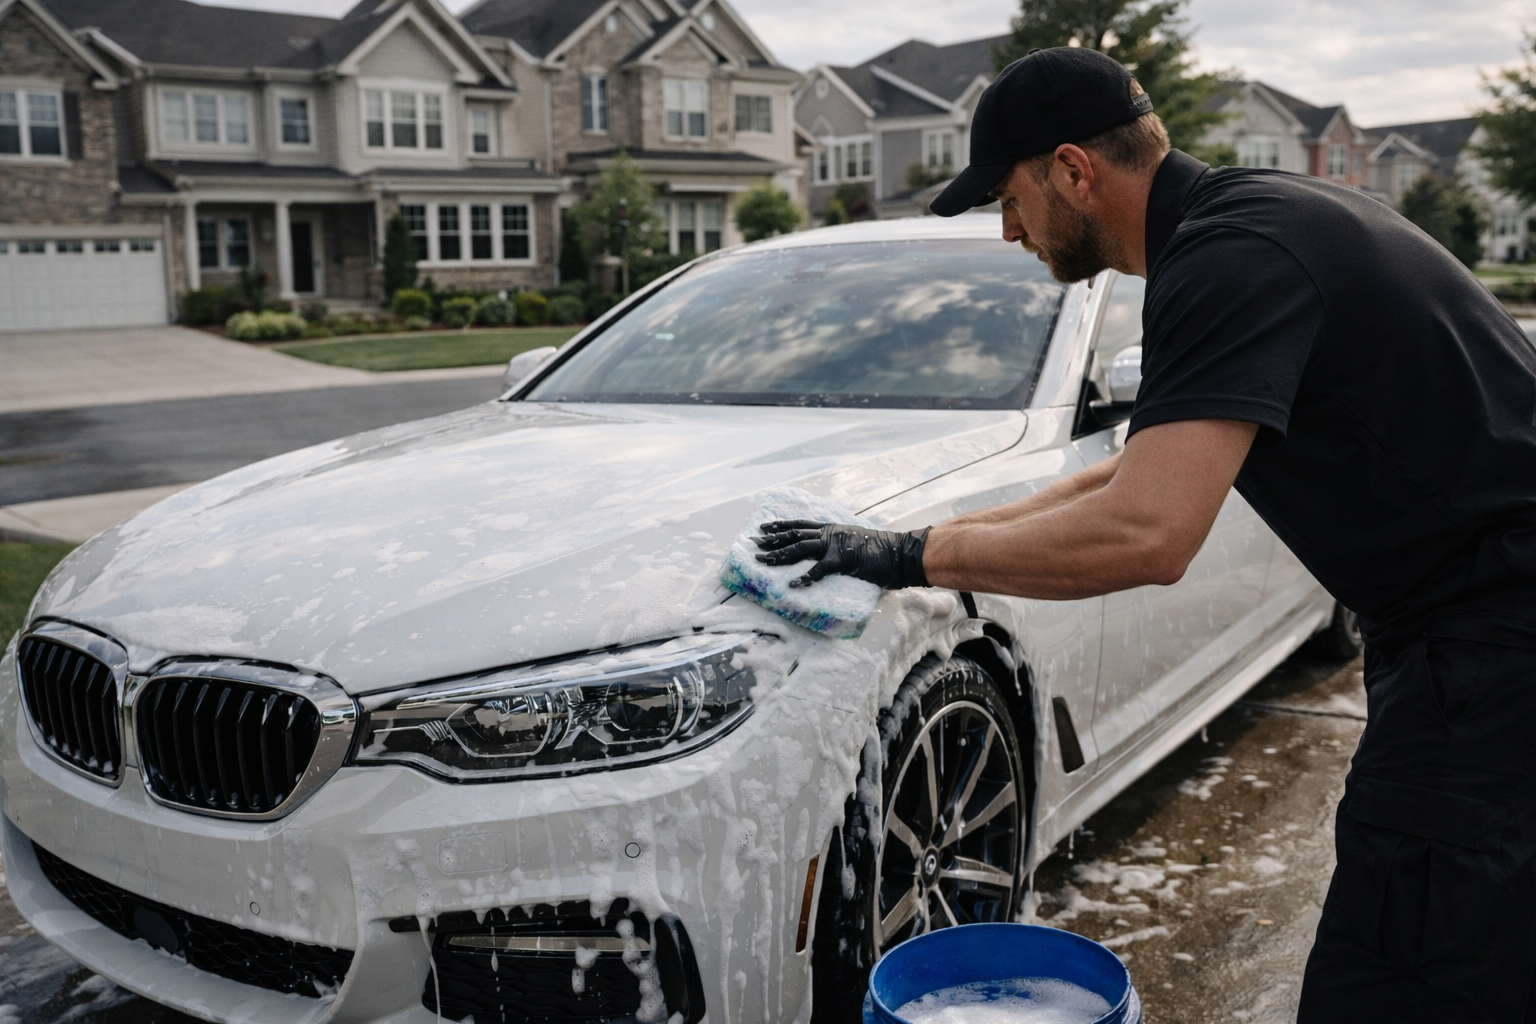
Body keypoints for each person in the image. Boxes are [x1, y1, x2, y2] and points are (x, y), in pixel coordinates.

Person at [755, 47, 1536, 1022]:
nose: (1009, 231)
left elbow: (1147, 532)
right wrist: (905, 537)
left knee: (1402, 974)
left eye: (1008, 197)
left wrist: (917, 560)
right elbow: (1128, 474)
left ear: (1074, 171)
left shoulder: (1228, 257)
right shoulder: (1248, 221)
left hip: (1495, 647)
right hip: (1477, 631)